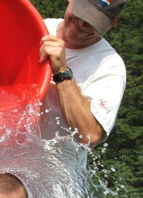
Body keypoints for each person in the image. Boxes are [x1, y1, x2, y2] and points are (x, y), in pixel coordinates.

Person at [39, 0, 127, 165]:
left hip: (54, 177)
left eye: (94, 21)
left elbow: (90, 136)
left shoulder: (109, 66)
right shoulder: (37, 29)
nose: (82, 24)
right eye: (82, 12)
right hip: (1, 162)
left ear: (113, 23)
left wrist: (62, 72)